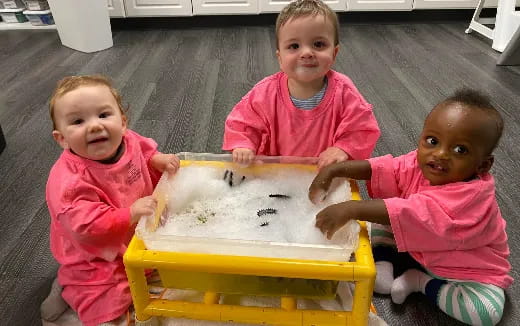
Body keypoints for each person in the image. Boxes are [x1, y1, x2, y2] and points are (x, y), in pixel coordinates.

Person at [308, 89, 513, 325]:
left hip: (462, 268)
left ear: (483, 165)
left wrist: (350, 208)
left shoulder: (472, 198)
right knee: (375, 223)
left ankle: (420, 282)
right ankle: (384, 259)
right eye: (432, 141)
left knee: (485, 313)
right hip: (422, 245)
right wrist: (336, 169)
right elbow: (386, 168)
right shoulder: (422, 162)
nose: (440, 154)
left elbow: (414, 213)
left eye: (460, 150)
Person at [42, 75, 180, 326]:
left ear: (123, 122)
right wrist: (128, 214)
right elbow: (84, 226)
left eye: (104, 115)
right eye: (78, 121)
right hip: (97, 254)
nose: (94, 126)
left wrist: (156, 160)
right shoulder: (69, 182)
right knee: (110, 296)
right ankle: (69, 290)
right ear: (61, 138)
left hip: (134, 234)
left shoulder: (128, 140)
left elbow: (143, 149)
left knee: (170, 266)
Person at [222, 0, 380, 168]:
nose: (306, 53)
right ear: (280, 58)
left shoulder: (345, 93)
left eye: (318, 44)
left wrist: (343, 149)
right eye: (294, 46)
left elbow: (362, 128)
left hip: (324, 174)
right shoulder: (265, 92)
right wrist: (243, 145)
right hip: (276, 174)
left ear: (334, 53)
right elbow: (241, 122)